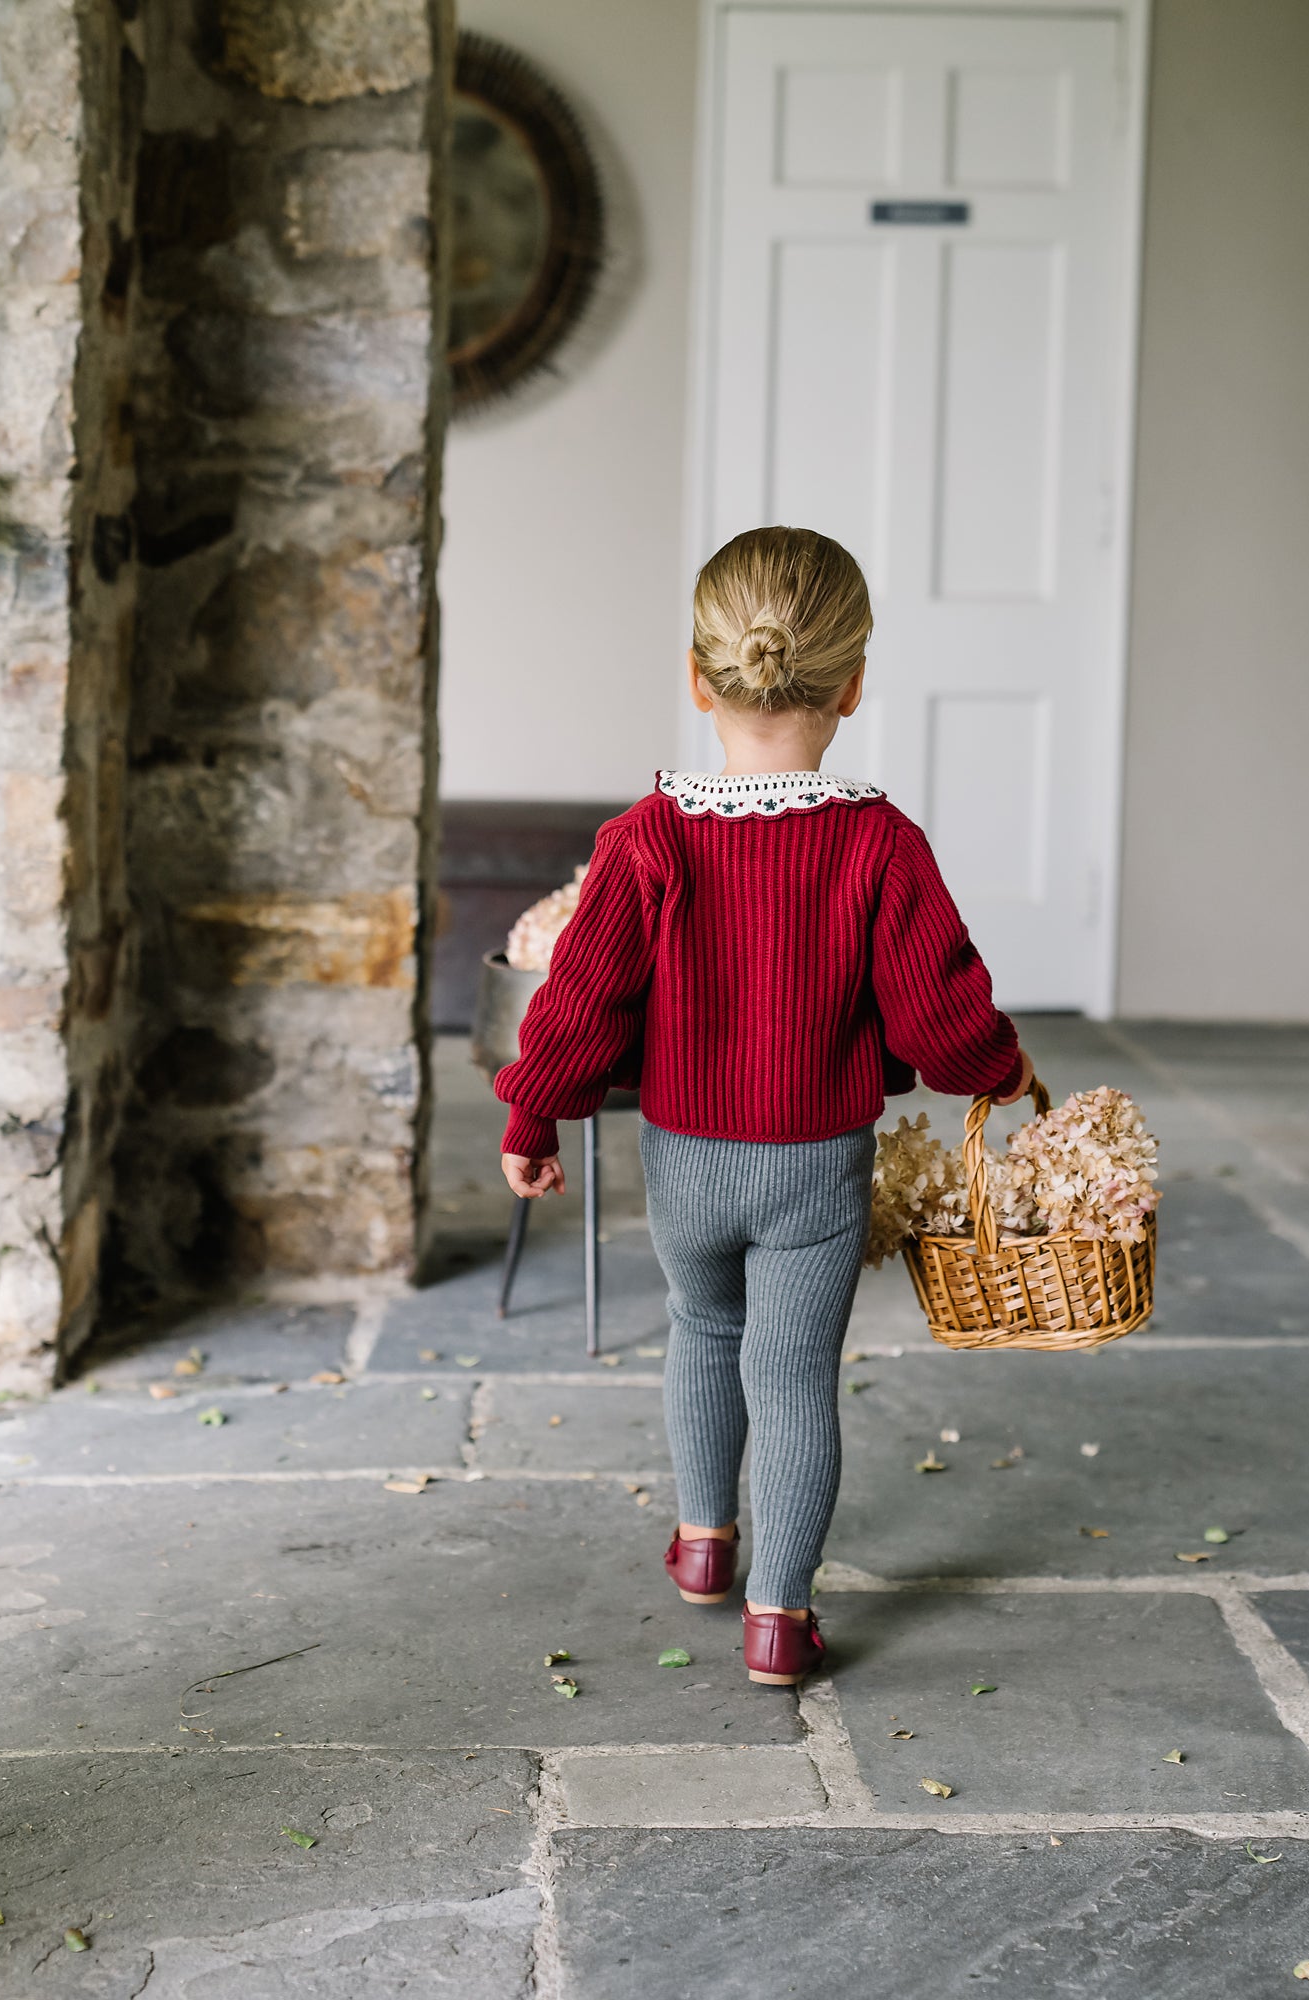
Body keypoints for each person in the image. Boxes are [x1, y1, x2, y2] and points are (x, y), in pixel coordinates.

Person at [494, 525, 1033, 1686]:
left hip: (684, 1156)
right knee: (793, 1373)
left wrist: (532, 1117)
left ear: (699, 677)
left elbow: (578, 1002)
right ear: (852, 682)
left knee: (702, 1328)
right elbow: (942, 1016)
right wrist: (1003, 1070)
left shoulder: (645, 840)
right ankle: (779, 1618)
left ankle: (701, 1542)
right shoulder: (882, 845)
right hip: (814, 1165)